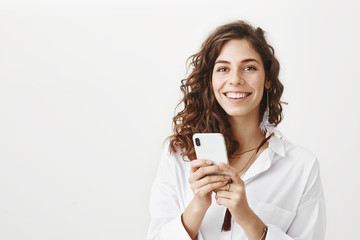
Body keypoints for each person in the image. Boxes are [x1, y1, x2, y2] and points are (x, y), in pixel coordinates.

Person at [147, 20, 326, 240]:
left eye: (249, 68)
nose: (235, 80)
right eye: (223, 69)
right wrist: (198, 205)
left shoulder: (302, 167)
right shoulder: (178, 154)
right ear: (210, 80)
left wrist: (246, 216)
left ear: (267, 78)